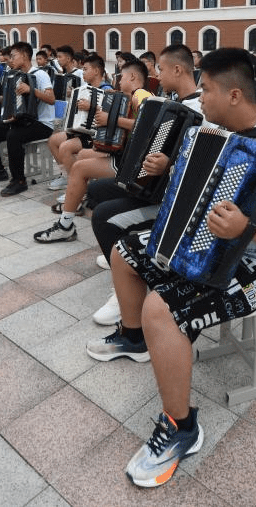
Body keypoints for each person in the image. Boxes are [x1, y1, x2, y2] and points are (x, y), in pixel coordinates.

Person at [86, 47, 256, 488]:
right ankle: (135, 339)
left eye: (205, 89)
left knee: (161, 308)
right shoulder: (212, 132)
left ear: (233, 95)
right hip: (200, 244)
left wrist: (245, 227)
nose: (200, 98)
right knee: (125, 250)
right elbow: (194, 188)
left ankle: (182, 427)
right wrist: (169, 166)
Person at [88, 44, 206, 325]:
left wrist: (168, 163)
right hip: (152, 182)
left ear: (178, 69)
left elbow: (201, 159)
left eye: (161, 70)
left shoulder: (199, 109)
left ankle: (127, 288)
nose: (157, 76)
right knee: (96, 190)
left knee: (105, 216)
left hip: (169, 195)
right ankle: (125, 270)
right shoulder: (170, 102)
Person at [33, 58, 151, 242]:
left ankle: (66, 224)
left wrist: (110, 119)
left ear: (133, 77)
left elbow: (147, 127)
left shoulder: (141, 94)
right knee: (81, 156)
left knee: (80, 168)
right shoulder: (131, 97)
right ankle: (78, 199)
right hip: (123, 156)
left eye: (122, 77)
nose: (119, 81)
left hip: (131, 163)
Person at [0, 41, 56, 196]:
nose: (9, 60)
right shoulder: (14, 76)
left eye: (13, 56)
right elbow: (13, 102)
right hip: (21, 121)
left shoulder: (40, 74)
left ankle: (19, 180)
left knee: (13, 136)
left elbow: (51, 99)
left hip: (42, 124)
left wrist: (31, 90)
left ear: (25, 55)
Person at [46, 54, 112, 191]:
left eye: (86, 69)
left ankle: (75, 186)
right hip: (81, 132)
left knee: (65, 147)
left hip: (94, 135)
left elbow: (111, 115)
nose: (83, 72)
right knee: (53, 140)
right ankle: (67, 176)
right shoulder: (84, 89)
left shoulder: (108, 90)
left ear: (96, 71)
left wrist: (91, 107)